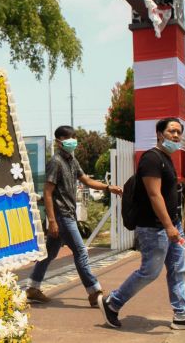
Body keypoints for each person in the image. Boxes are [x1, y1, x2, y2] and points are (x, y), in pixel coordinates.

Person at [98, 117, 185, 330]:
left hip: (171, 225)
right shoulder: (151, 158)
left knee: (178, 269)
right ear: (160, 134)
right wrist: (168, 226)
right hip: (154, 227)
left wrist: (174, 225)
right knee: (150, 271)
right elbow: (154, 194)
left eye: (179, 132)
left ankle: (182, 314)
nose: (176, 136)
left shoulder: (167, 158)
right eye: (171, 131)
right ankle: (112, 303)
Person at [26, 125, 123, 307]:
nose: (72, 141)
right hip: (62, 216)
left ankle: (33, 287)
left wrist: (108, 187)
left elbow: (86, 180)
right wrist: (52, 221)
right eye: (67, 138)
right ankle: (94, 291)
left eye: (73, 137)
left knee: (50, 253)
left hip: (68, 214)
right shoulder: (55, 162)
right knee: (80, 251)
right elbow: (47, 192)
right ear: (58, 141)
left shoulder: (72, 160)